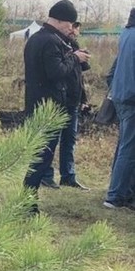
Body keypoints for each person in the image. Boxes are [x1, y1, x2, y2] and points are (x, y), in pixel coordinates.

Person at [23, 0, 90, 208]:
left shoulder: (36, 38)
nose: (71, 28)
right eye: (69, 23)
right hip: (49, 108)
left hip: (38, 103)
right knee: (42, 158)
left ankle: (28, 200)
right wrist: (75, 58)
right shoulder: (51, 41)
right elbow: (56, 72)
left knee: (40, 156)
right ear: (59, 20)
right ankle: (27, 202)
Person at [40, 20, 91, 190]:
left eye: (76, 29)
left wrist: (83, 99)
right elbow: (58, 71)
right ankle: (46, 175)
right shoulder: (56, 44)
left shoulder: (73, 45)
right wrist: (74, 56)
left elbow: (80, 75)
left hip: (74, 100)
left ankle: (68, 176)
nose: (74, 31)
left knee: (69, 140)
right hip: (59, 99)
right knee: (51, 139)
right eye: (72, 27)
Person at [104, 7, 135, 209]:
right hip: (132, 98)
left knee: (124, 146)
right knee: (128, 149)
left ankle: (122, 192)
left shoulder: (126, 34)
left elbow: (114, 70)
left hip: (121, 96)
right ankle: (115, 196)